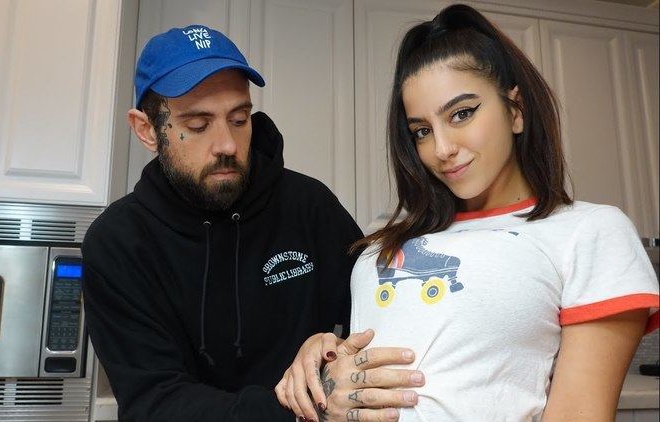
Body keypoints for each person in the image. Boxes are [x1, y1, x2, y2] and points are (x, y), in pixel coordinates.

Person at [277, 4, 660, 421]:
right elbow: (365, 361)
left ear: (516, 110)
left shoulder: (589, 231)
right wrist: (322, 362)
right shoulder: (385, 237)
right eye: (421, 131)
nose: (441, 149)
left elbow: (577, 414)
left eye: (462, 113)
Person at [81, 25, 425, 421]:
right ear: (147, 130)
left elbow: (383, 314)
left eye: (240, 119)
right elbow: (155, 402)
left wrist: (331, 347)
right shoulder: (118, 243)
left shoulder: (309, 205)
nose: (227, 145)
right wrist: (300, 408)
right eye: (198, 125)